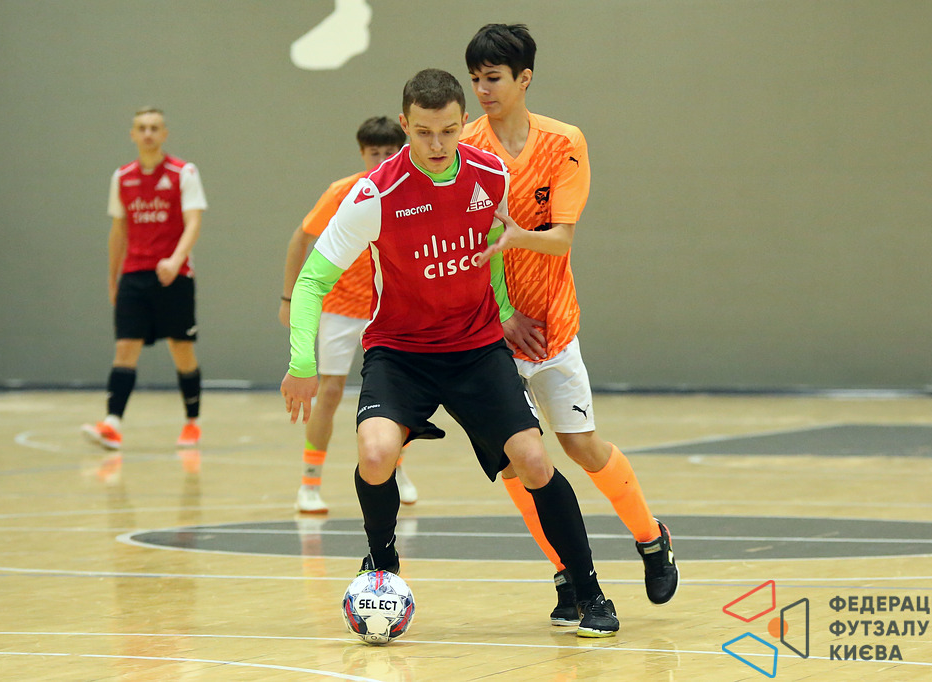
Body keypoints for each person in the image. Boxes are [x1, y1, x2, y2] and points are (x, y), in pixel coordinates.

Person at [281, 68, 619, 637]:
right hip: (401, 353)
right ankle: (382, 563)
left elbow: (493, 249)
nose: (436, 145)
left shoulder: (491, 173)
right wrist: (302, 364)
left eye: (447, 131)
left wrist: (504, 311)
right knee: (375, 453)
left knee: (535, 461)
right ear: (405, 126)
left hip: (476, 348)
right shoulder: (375, 194)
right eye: (422, 132)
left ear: (465, 122)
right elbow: (314, 279)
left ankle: (589, 590)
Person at [461, 23, 678, 625]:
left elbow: (560, 240)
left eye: (493, 78)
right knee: (517, 460)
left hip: (553, 325)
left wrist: (514, 238)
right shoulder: (466, 148)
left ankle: (651, 538)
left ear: (524, 79)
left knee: (581, 446)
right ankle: (566, 574)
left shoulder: (564, 142)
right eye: (475, 79)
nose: (482, 90)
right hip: (493, 336)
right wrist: (504, 315)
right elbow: (472, 245)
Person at [279, 116, 417, 513]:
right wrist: (288, 298)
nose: (382, 159)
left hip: (387, 307)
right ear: (361, 153)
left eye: (390, 152)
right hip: (340, 308)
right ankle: (310, 482)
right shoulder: (343, 192)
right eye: (375, 153)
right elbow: (300, 238)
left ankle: (397, 468)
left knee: (398, 393)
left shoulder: (409, 189)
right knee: (330, 391)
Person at [82, 107, 208, 451]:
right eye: (142, 128)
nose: (148, 133)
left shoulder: (183, 172)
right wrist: (113, 277)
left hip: (174, 276)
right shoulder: (122, 177)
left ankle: (192, 422)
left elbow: (194, 222)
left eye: (154, 128)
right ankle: (112, 423)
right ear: (133, 135)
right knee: (125, 348)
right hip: (134, 275)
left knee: (181, 350)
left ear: (164, 134)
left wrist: (176, 260)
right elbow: (118, 230)